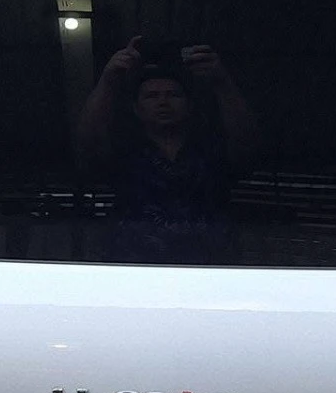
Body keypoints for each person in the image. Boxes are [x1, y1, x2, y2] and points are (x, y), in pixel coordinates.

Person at [75, 36, 258, 263]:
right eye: (152, 96)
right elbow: (88, 143)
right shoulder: (125, 152)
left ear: (190, 105)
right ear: (136, 108)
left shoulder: (211, 148)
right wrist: (108, 80)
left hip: (210, 269)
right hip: (135, 267)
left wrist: (222, 82)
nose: (163, 102)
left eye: (173, 95)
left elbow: (246, 144)